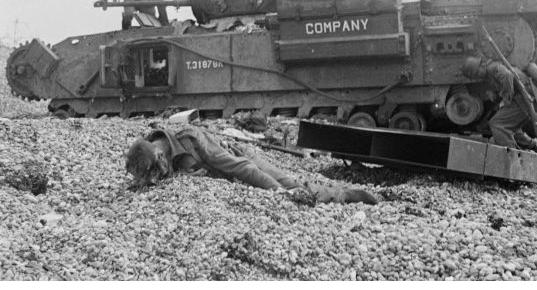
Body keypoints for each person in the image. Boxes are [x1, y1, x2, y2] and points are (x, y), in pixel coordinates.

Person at [125, 124, 379, 205]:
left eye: (159, 174)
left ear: (159, 157)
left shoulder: (191, 139)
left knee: (294, 189)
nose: (160, 179)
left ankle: (346, 195)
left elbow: (240, 168)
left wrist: (276, 192)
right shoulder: (156, 151)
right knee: (292, 190)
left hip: (245, 159)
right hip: (234, 171)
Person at [462, 57, 537, 152]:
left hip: (527, 99)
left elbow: (507, 76)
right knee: (513, 130)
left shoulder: (493, 67)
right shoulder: (491, 71)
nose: (478, 76)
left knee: (497, 124)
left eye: (476, 73)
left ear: (480, 66)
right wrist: (496, 97)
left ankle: (510, 157)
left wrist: (505, 100)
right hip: (534, 98)